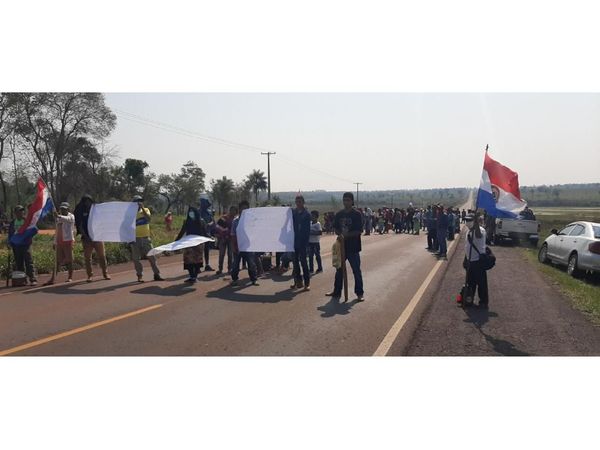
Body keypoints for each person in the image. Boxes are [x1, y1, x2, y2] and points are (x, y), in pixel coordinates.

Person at [326, 192, 365, 302]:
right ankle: (337, 291)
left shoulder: (357, 214)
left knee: (356, 270)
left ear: (352, 201)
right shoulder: (339, 214)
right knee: (339, 270)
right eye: (344, 200)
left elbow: (359, 231)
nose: (346, 202)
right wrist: (340, 234)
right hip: (341, 247)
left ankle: (359, 293)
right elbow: (336, 228)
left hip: (353, 247)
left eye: (348, 200)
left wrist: (346, 235)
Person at [74, 195, 110, 282]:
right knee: (87, 258)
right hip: (86, 239)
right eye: (85, 201)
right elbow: (80, 225)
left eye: (89, 201)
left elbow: (101, 223)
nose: (87, 203)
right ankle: (89, 275)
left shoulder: (97, 211)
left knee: (102, 256)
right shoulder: (81, 212)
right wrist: (86, 236)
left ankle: (105, 273)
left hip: (97, 237)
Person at [130, 195, 164, 283]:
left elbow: (148, 219)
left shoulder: (146, 210)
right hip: (135, 239)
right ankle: (139, 276)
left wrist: (143, 209)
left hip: (146, 238)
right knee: (136, 259)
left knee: (152, 257)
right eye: (137, 201)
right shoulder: (130, 213)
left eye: (140, 201)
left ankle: (157, 274)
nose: (139, 202)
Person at [175, 206, 208, 283]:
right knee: (188, 261)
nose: (191, 213)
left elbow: (205, 232)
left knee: (197, 261)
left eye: (192, 212)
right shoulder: (187, 221)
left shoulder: (201, 221)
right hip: (188, 244)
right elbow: (182, 232)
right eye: (190, 212)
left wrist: (210, 238)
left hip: (198, 244)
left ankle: (194, 276)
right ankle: (191, 276)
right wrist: (176, 241)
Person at [230, 200, 258, 286]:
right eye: (243, 208)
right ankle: (234, 279)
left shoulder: (251, 221)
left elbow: (255, 233)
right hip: (238, 246)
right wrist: (234, 247)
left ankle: (253, 279)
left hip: (249, 247)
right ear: (239, 209)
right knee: (235, 265)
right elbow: (233, 235)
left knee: (251, 264)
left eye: (246, 208)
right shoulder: (235, 221)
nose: (244, 210)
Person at [7, 205, 37, 285]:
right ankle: (22, 280)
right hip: (16, 246)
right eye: (19, 211)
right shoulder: (13, 223)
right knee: (19, 263)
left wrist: (28, 236)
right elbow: (10, 234)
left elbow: (33, 230)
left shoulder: (27, 221)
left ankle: (32, 279)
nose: (21, 212)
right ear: (15, 213)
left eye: (22, 211)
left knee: (28, 261)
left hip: (26, 244)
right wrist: (9, 243)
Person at [465, 213, 489, 307]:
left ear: (474, 221)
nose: (467, 222)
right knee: (470, 283)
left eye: (469, 220)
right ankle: (469, 300)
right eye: (466, 220)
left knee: (481, 284)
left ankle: (483, 302)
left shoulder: (480, 231)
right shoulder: (469, 231)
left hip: (478, 262)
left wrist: (476, 225)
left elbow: (478, 235)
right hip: (470, 261)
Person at [290, 195, 311, 291]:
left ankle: (307, 283)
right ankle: (297, 281)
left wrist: (305, 242)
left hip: (302, 242)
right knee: (295, 263)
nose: (298, 203)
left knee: (303, 263)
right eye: (296, 201)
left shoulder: (306, 214)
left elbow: (307, 230)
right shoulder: (293, 213)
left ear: (303, 202)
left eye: (299, 201)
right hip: (293, 241)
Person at [54, 202, 76, 282]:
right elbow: (57, 230)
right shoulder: (58, 218)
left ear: (68, 209)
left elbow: (68, 220)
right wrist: (54, 242)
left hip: (68, 241)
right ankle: (54, 278)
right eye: (61, 209)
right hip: (59, 242)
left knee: (69, 260)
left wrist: (59, 216)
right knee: (57, 261)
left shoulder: (71, 216)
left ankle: (70, 277)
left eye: (64, 209)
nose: (63, 210)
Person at [215, 206, 236, 275]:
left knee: (230, 254)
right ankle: (220, 269)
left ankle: (229, 269)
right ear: (229, 210)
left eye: (234, 211)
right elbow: (217, 227)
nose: (233, 212)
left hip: (230, 239)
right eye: (232, 210)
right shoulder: (223, 218)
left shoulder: (235, 219)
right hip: (222, 238)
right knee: (221, 254)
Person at [199, 198, 215, 271]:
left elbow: (212, 221)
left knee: (206, 250)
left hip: (207, 233)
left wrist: (209, 224)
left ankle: (207, 265)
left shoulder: (209, 212)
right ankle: (198, 266)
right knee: (199, 250)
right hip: (199, 233)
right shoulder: (198, 212)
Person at [308, 210, 323, 274]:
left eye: (313, 216)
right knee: (310, 256)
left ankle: (320, 268)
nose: (312, 217)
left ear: (316, 217)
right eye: (311, 215)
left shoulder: (318, 224)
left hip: (316, 243)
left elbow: (320, 232)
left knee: (317, 256)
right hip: (310, 242)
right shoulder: (310, 223)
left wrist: (311, 232)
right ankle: (311, 269)